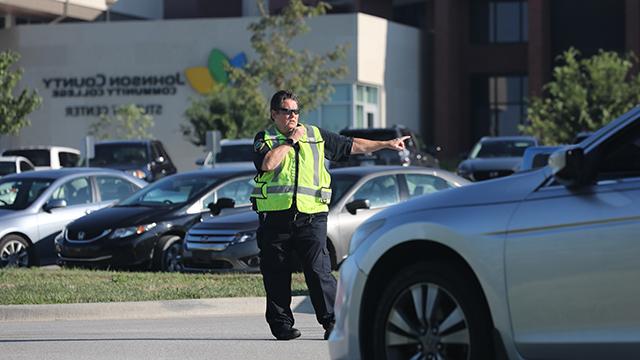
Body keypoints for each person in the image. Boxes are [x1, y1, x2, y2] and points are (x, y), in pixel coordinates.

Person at [250, 90, 409, 341]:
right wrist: (290, 141)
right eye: (286, 111)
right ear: (274, 114)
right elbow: (268, 164)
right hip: (275, 218)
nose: (292, 116)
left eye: (295, 111)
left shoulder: (315, 135)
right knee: (276, 273)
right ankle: (282, 326)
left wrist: (385, 144)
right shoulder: (265, 138)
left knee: (318, 270)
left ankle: (333, 323)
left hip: (311, 216)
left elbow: (351, 145)